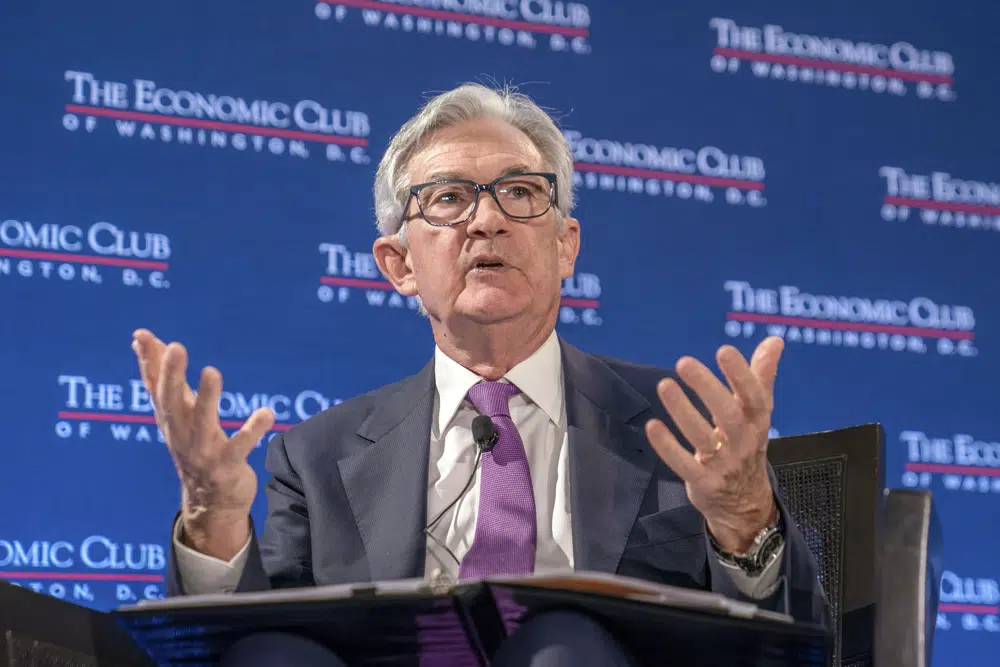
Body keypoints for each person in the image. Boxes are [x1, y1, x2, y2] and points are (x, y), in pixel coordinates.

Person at [131, 83, 830, 666]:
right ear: (398, 264)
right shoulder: (317, 458)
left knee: (564, 644)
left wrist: (743, 519)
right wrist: (213, 518)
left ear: (565, 246)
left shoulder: (677, 430)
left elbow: (791, 642)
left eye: (521, 192)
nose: (487, 220)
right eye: (448, 199)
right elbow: (249, 643)